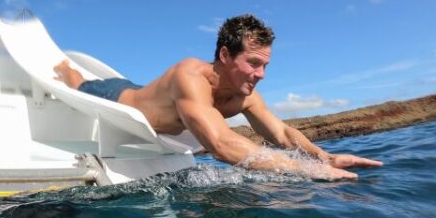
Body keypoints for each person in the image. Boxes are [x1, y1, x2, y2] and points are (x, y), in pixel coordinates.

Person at [54, 14, 383, 181]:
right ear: (225, 54)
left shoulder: (245, 95)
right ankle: (64, 65)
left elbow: (281, 133)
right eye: (253, 63)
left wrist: (324, 159)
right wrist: (307, 171)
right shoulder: (191, 76)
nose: (261, 75)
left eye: (265, 65)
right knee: (76, 82)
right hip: (117, 97)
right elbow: (222, 145)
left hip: (155, 101)